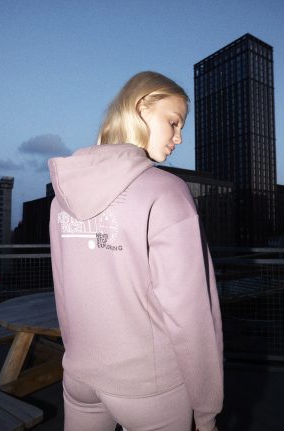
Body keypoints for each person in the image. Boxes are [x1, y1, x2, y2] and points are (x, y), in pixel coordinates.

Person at [48, 71, 223, 431]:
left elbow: (64, 293)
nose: (179, 137)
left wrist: (77, 356)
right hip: (149, 387)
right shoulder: (165, 191)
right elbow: (190, 313)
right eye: (173, 122)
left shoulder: (62, 197)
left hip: (80, 375)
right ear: (142, 108)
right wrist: (206, 410)